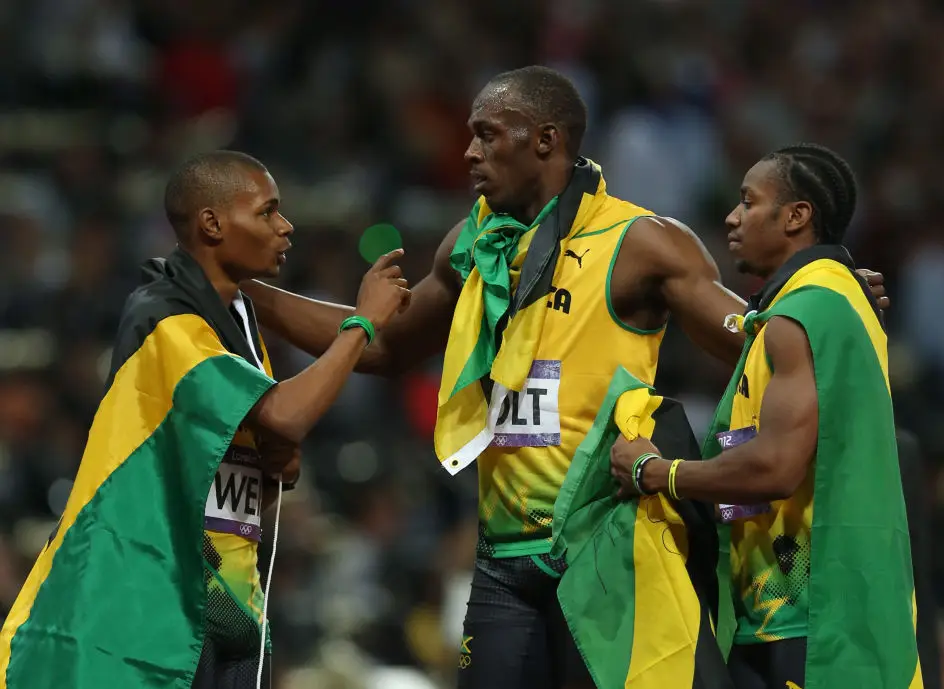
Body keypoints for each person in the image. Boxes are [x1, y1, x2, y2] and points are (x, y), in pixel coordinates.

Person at [243, 68, 888, 689]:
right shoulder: (474, 244)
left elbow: (753, 342)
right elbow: (382, 345)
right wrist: (245, 293)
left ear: (545, 140)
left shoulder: (640, 242)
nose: (468, 152)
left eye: (488, 134)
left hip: (604, 544)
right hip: (502, 557)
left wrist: (822, 304)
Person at [0, 150, 411, 689]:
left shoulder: (236, 321)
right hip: (149, 601)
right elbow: (287, 413)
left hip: (226, 601)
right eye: (267, 212)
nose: (285, 227)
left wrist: (268, 467)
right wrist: (363, 322)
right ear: (212, 223)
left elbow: (238, 479)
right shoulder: (166, 316)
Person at [611, 144, 920, 689]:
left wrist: (658, 472)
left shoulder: (807, 309)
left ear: (796, 216)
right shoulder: (812, 304)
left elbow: (775, 467)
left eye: (749, 202)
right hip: (786, 611)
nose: (732, 217)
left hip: (813, 621)